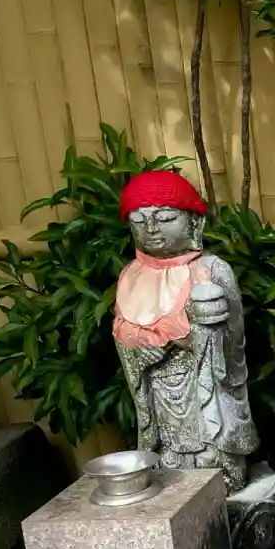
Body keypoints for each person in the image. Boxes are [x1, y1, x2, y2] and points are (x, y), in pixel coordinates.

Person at [113, 170, 257, 490]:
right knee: (170, 461)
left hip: (203, 387)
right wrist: (140, 353)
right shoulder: (131, 275)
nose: (151, 228)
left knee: (211, 456)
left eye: (165, 218)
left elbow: (233, 343)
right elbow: (123, 337)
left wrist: (197, 337)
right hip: (157, 389)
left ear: (194, 222)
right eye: (139, 220)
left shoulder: (211, 270)